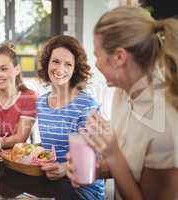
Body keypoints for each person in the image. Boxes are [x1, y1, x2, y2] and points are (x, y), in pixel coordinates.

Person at [66, 6, 178, 200]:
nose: (96, 63)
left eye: (97, 55)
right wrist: (92, 170)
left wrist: (112, 153)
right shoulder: (121, 92)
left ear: (119, 57)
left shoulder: (165, 124)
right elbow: (127, 166)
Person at [37, 35, 105, 199]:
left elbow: (95, 157)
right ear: (47, 63)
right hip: (50, 181)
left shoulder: (86, 105)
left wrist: (64, 168)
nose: (60, 69)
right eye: (56, 61)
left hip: (82, 189)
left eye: (68, 64)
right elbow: (50, 147)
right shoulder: (40, 102)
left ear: (75, 69)